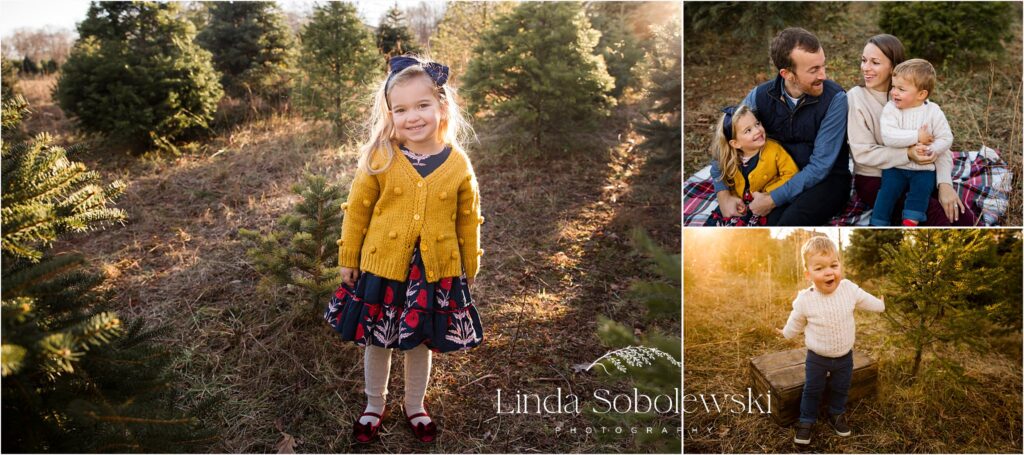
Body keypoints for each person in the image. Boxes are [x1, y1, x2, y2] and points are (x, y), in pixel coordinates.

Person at [323, 55, 484, 444]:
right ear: (390, 113)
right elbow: (357, 210)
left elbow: (468, 217)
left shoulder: (457, 163)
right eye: (401, 109)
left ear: (441, 107)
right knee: (378, 338)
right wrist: (349, 257)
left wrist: (469, 263)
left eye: (422, 105)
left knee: (419, 341)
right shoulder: (381, 156)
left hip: (431, 270)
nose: (413, 116)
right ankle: (373, 405)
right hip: (384, 267)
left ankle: (416, 404)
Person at [711, 27, 850, 226]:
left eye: (822, 66)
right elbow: (725, 138)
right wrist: (723, 194)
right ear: (787, 74)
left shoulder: (835, 100)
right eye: (814, 70)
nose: (823, 76)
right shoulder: (760, 96)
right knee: (752, 222)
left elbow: (820, 167)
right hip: (775, 177)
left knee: (789, 223)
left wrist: (772, 199)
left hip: (826, 181)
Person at [846, 34, 975, 225]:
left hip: (919, 173)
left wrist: (945, 184)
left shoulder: (915, 98)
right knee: (935, 215)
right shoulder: (856, 97)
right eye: (864, 60)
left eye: (875, 62)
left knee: (962, 217)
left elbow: (939, 144)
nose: (866, 68)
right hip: (876, 179)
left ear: (893, 67)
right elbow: (863, 154)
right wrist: (908, 154)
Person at [778, 237, 884, 445]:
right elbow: (795, 322)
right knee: (812, 389)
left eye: (834, 265)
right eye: (820, 268)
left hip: (845, 356)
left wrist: (879, 305)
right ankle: (806, 420)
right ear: (808, 275)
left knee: (841, 387)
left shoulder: (848, 289)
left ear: (839, 265)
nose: (829, 272)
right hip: (817, 357)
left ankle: (836, 413)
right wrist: (786, 333)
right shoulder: (805, 300)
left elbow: (865, 299)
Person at [872, 59, 953, 226]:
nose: (894, 92)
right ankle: (878, 223)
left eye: (901, 89)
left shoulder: (933, 112)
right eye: (893, 87)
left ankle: (910, 222)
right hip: (896, 166)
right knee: (886, 193)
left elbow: (946, 138)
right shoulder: (891, 109)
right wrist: (917, 136)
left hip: (924, 168)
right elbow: (889, 136)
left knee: (921, 192)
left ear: (921, 94)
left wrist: (932, 149)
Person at [705, 105, 798, 226]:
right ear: (736, 143)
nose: (758, 130)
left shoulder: (774, 150)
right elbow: (720, 173)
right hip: (740, 203)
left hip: (766, 202)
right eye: (748, 130)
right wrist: (731, 196)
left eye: (757, 124)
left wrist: (768, 192)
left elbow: (792, 174)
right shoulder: (730, 157)